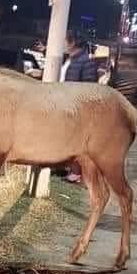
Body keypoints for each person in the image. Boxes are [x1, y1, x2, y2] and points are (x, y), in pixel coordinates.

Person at [62, 31, 98, 183]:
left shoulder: (86, 62)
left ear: (72, 42)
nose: (62, 44)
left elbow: (89, 87)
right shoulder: (71, 60)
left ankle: (77, 173)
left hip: (76, 109)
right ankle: (69, 168)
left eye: (65, 41)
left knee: (77, 141)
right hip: (65, 105)